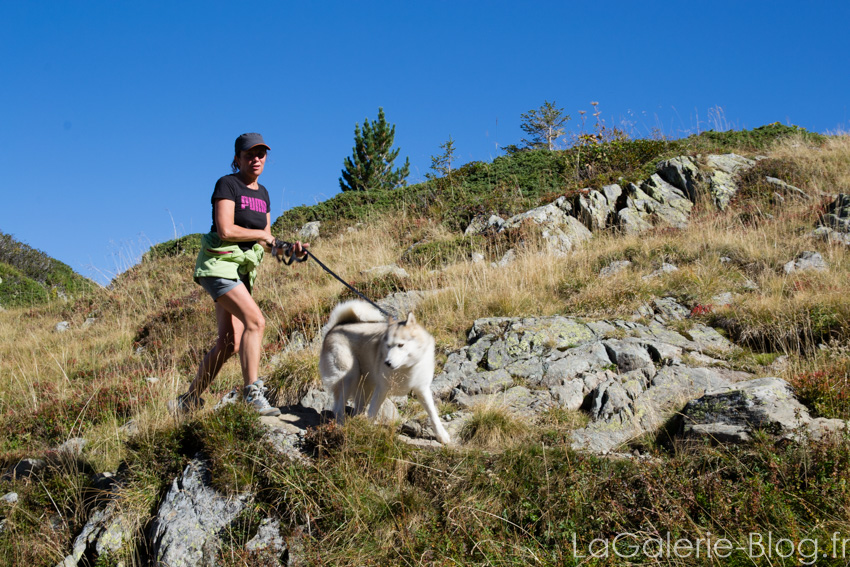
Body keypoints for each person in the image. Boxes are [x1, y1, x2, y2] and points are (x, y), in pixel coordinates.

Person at [171, 133, 309, 416]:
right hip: (219, 264)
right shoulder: (228, 184)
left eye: (261, 154)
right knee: (256, 321)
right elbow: (226, 230)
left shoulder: (264, 194)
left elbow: (266, 241)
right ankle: (252, 395)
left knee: (229, 343)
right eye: (249, 154)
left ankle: (188, 399)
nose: (256, 159)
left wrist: (291, 251)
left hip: (242, 272)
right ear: (237, 159)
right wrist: (262, 234)